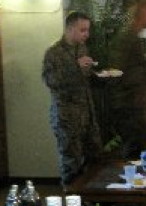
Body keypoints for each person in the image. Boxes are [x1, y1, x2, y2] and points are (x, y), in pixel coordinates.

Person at [42, 12, 102, 186]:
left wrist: (98, 75)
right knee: (71, 164)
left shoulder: (82, 49)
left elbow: (83, 78)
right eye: (82, 30)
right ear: (69, 29)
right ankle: (73, 205)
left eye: (88, 30)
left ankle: (92, 203)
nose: (87, 34)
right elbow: (51, 81)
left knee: (94, 161)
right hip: (67, 118)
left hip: (87, 115)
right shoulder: (53, 53)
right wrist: (75, 66)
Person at [108, 0, 146, 159]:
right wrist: (133, 95)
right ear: (140, 13)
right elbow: (116, 72)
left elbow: (133, 69)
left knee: (141, 151)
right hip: (128, 108)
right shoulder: (126, 37)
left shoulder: (133, 37)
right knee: (134, 153)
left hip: (134, 106)